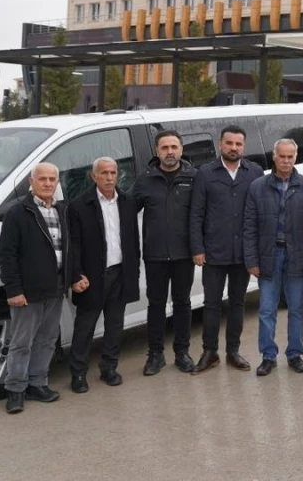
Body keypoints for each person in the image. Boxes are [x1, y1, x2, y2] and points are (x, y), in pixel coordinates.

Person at [189, 126, 264, 374]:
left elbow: (260, 213)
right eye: (229, 143)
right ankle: (209, 352)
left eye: (238, 144)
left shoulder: (254, 172)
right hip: (214, 251)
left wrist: (257, 251)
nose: (233, 148)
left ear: (244, 146)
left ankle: (233, 351)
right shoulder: (206, 173)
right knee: (211, 304)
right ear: (220, 145)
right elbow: (196, 213)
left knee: (237, 303)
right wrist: (197, 247)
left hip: (242, 252)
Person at [245, 138, 303, 376]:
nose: (286, 161)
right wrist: (252, 260)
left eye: (290, 157)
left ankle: (295, 353)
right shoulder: (258, 187)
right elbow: (249, 226)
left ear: (295, 157)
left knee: (297, 308)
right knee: (267, 309)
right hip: (268, 255)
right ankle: (268, 356)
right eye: (282, 156)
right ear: (274, 157)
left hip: (298, 255)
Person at [66, 157, 141, 393]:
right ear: (93, 176)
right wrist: (75, 275)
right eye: (104, 173)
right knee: (85, 326)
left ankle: (109, 367)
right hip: (92, 276)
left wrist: (134, 272)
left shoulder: (128, 202)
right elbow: (73, 245)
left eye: (113, 173)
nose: (109, 177)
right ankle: (78, 373)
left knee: (115, 325)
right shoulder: (79, 206)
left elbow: (133, 240)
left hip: (120, 273)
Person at [0, 162, 65, 414]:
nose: (47, 183)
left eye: (52, 179)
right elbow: (7, 255)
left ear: (57, 183)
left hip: (56, 287)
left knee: (47, 340)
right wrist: (14, 290)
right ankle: (15, 390)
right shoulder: (18, 213)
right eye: (42, 179)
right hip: (28, 291)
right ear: (31, 182)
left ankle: (38, 384)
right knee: (21, 342)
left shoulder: (61, 210)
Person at [131, 131, 198, 376]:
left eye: (174, 147)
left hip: (184, 254)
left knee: (183, 303)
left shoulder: (194, 177)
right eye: (165, 148)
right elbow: (126, 211)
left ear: (181, 149)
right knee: (156, 305)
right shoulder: (145, 180)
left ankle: (182, 353)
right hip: (155, 255)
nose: (170, 152)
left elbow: (202, 214)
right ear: (156, 151)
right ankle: (155, 355)